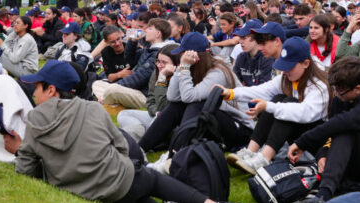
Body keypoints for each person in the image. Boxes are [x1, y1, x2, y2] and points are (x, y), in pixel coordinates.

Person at [3, 60, 218, 203]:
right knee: (149, 179)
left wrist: (20, 150)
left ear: (51, 90)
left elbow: (26, 171)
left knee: (140, 185)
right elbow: (122, 146)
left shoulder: (34, 122)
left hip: (96, 191)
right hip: (122, 179)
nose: (34, 94)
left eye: (36, 88)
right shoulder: (92, 108)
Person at [287, 57, 360, 202]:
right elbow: (332, 132)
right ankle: (324, 190)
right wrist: (323, 154)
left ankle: (323, 195)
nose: (335, 93)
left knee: (346, 130)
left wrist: (302, 143)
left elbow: (342, 123)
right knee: (341, 131)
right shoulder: (341, 98)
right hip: (355, 157)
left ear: (358, 89)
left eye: (339, 90)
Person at [222, 37, 330, 175]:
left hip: (319, 142)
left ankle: (265, 158)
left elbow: (305, 113)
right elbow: (262, 90)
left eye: (289, 66)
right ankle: (250, 152)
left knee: (285, 104)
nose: (285, 71)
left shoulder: (319, 85)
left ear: (306, 63)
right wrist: (231, 93)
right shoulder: (289, 77)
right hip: (300, 135)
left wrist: (269, 106)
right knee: (279, 99)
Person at [138, 32, 253, 161]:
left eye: (184, 53)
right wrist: (181, 68)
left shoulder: (218, 71)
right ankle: (140, 149)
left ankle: (173, 156)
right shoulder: (193, 68)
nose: (181, 56)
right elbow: (172, 97)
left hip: (240, 130)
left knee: (197, 105)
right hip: (216, 124)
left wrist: (184, 67)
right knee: (176, 106)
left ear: (196, 56)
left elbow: (189, 97)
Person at [93, 18, 176, 109]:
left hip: (145, 96)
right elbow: (129, 60)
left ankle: (107, 100)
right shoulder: (150, 49)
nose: (145, 30)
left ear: (158, 34)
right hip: (137, 89)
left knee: (113, 89)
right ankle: (112, 101)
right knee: (97, 84)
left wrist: (114, 86)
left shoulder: (160, 54)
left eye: (149, 28)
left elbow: (137, 78)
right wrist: (133, 41)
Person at [117, 44, 178, 141]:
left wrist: (162, 80)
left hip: (172, 122)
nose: (159, 65)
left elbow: (164, 106)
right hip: (157, 115)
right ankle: (140, 131)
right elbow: (150, 101)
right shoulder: (156, 73)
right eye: (158, 61)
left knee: (156, 122)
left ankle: (140, 136)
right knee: (123, 114)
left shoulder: (179, 77)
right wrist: (157, 112)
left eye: (164, 62)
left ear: (175, 63)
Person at [232, 19, 274, 87]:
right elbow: (234, 83)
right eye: (240, 38)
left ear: (256, 38)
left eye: (244, 38)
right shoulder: (241, 57)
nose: (240, 42)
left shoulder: (267, 58)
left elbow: (265, 89)